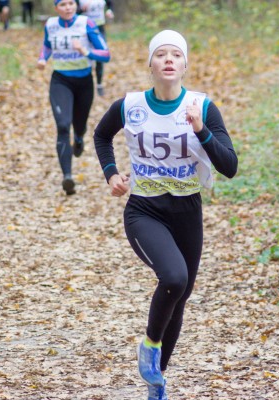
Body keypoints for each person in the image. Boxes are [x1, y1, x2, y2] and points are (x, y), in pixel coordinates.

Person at [94, 30, 238, 400]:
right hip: (144, 210)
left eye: (176, 54)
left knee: (180, 295)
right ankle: (150, 345)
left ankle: (156, 382)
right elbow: (101, 135)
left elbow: (230, 166)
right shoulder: (130, 105)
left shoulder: (202, 106)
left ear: (185, 65)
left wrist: (201, 130)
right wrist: (111, 174)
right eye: (161, 54)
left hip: (187, 211)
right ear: (151, 64)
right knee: (174, 277)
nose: (169, 59)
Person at [37, 0, 110, 195]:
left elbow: (105, 54)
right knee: (62, 125)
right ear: (56, 8)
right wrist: (43, 58)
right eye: (63, 4)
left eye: (71, 3)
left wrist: (85, 51)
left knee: (79, 125)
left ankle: (78, 138)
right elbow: (47, 45)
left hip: (84, 82)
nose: (68, 7)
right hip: (60, 81)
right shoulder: (51, 25)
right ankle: (67, 177)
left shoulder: (87, 23)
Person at [77, 0, 114, 96]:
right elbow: (72, 13)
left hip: (99, 29)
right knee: (84, 54)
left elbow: (110, 3)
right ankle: (83, 83)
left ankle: (99, 83)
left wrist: (109, 10)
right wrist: (81, 9)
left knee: (100, 56)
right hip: (84, 30)